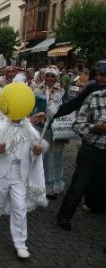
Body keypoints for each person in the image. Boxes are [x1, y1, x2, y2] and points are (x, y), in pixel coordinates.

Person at [0, 116, 47, 259]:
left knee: (19, 207)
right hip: (1, 173)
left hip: (20, 174)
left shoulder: (30, 130)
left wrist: (36, 152)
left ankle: (20, 243)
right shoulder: (0, 128)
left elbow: (34, 152)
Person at [57, 86, 106, 231]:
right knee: (79, 185)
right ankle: (64, 216)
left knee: (100, 188)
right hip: (91, 150)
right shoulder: (95, 97)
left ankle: (95, 206)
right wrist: (96, 128)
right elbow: (78, 125)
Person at [30, 66, 66, 199]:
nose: (50, 79)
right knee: (41, 157)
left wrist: (56, 111)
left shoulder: (62, 91)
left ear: (56, 78)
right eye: (47, 76)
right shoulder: (38, 90)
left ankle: (53, 187)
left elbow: (66, 108)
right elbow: (30, 106)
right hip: (41, 128)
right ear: (43, 76)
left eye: (52, 76)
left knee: (55, 157)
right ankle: (40, 185)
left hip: (56, 130)